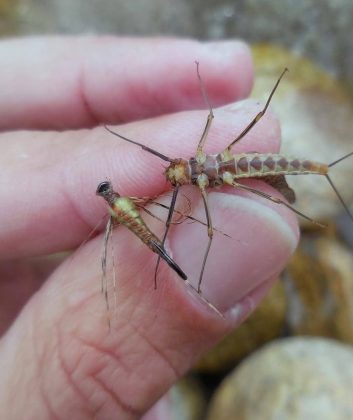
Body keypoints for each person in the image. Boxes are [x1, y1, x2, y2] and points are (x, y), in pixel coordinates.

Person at [0, 36, 298, 418]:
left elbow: (209, 125)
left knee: (179, 231)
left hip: (231, 174)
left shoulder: (163, 192)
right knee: (162, 238)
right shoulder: (135, 202)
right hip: (204, 187)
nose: (169, 174)